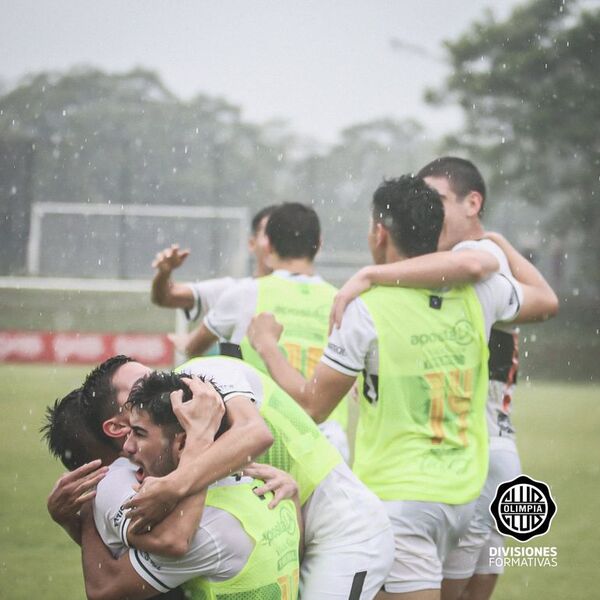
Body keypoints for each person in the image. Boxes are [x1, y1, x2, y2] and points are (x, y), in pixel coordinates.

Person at [248, 175, 528, 600]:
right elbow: (539, 299)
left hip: (400, 499)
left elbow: (312, 405)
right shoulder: (480, 292)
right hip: (464, 494)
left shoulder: (365, 308)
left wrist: (268, 347)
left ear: (379, 233)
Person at [328, 157, 558, 600]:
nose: (426, 209)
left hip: (469, 453)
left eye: (437, 199)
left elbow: (486, 274)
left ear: (474, 203)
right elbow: (546, 301)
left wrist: (372, 273)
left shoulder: (474, 259)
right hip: (479, 452)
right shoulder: (446, 268)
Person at [43, 375, 301, 600]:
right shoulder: (269, 484)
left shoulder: (204, 529)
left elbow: (106, 587)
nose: (129, 447)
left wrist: (88, 510)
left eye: (140, 433)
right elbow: (296, 553)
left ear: (182, 444)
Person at [179, 202, 350, 461]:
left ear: (267, 244)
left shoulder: (244, 295)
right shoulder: (341, 301)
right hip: (329, 446)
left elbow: (193, 348)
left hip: (269, 441)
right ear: (319, 244)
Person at [150, 204, 277, 325]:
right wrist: (164, 273)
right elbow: (166, 297)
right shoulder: (231, 291)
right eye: (271, 234)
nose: (278, 243)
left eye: (285, 236)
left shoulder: (297, 294)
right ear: (252, 243)